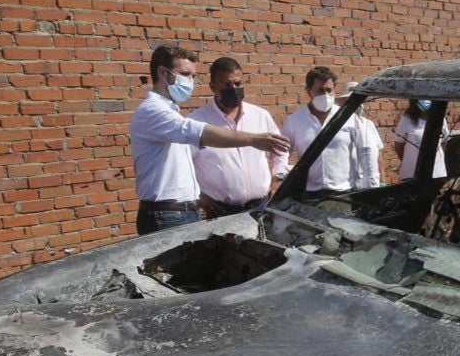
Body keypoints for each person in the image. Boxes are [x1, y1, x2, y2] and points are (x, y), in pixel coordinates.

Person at [130, 45, 289, 234]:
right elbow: (199, 133)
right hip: (169, 215)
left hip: (188, 212)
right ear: (163, 73)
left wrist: (277, 178)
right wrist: (253, 139)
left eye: (193, 76)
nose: (190, 82)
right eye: (185, 74)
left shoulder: (170, 112)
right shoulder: (153, 111)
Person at [187, 57, 284, 218]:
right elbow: (182, 165)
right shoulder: (196, 122)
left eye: (238, 84)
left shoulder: (260, 116)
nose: (233, 88)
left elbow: (281, 151)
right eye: (226, 85)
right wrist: (200, 197)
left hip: (261, 206)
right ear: (212, 86)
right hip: (221, 212)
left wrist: (277, 179)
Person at [281, 66, 364, 196]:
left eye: (329, 90)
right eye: (320, 90)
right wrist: (280, 176)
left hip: (343, 192)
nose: (325, 95)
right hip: (308, 194)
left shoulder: (348, 117)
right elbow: (282, 152)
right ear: (309, 91)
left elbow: (364, 151)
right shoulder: (295, 120)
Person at [336, 81, 384, 189]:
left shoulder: (368, 124)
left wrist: (382, 182)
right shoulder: (338, 126)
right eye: (352, 100)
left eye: (359, 100)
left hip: (370, 185)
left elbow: (378, 156)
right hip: (348, 186)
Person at [394, 99, 447, 181]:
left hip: (437, 173)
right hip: (412, 174)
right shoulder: (406, 119)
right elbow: (399, 147)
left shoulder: (440, 118)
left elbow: (443, 143)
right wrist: (411, 162)